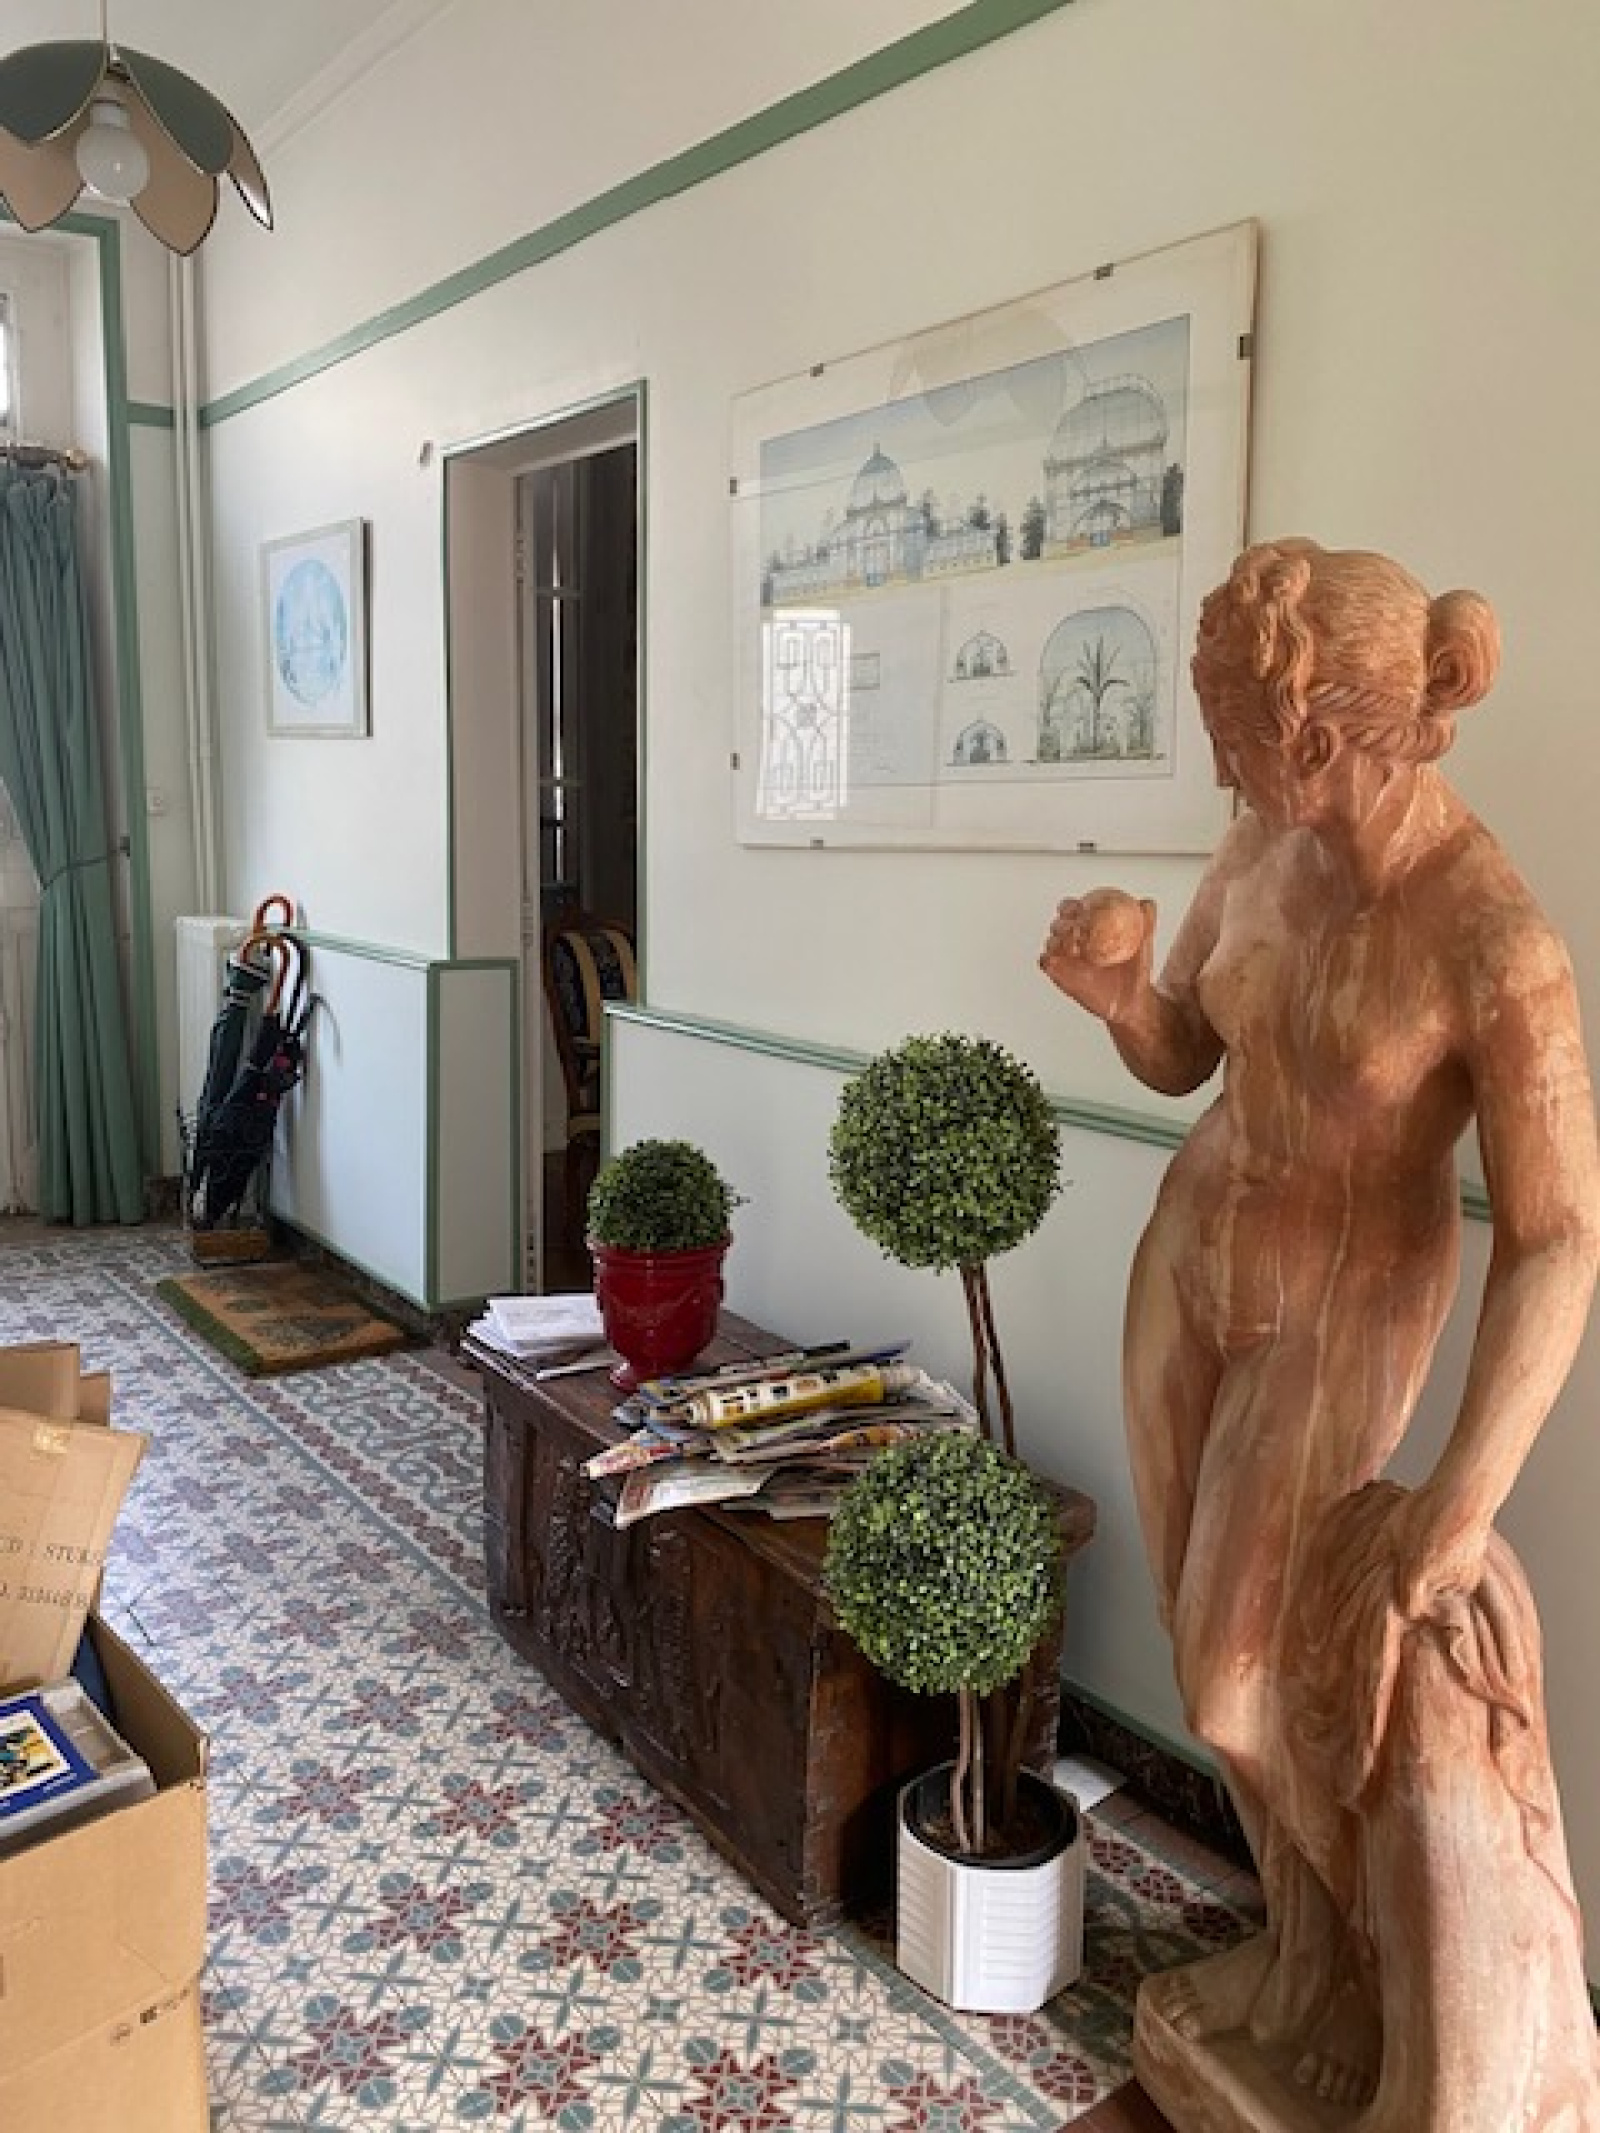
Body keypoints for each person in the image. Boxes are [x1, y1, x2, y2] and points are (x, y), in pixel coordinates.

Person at [1041, 539, 1600, 2127]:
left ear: (1326, 734)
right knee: (1199, 1635)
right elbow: (1185, 1053)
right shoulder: (1257, 850)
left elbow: (1559, 1235)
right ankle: (1298, 1963)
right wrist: (1118, 990)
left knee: (1237, 1682)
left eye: (1240, 735)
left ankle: (1369, 1972)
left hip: (1346, 1293)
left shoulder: (1493, 939)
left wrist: (1464, 1494)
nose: (1223, 769)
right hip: (1190, 1258)